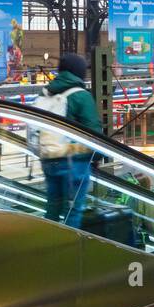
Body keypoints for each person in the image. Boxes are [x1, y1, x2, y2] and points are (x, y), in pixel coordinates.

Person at [34, 52, 103, 226]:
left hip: (48, 160)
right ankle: (68, 250)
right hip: (73, 161)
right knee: (73, 211)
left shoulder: (45, 93)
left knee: (53, 208)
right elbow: (94, 132)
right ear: (80, 72)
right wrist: (97, 156)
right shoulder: (81, 96)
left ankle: (49, 245)